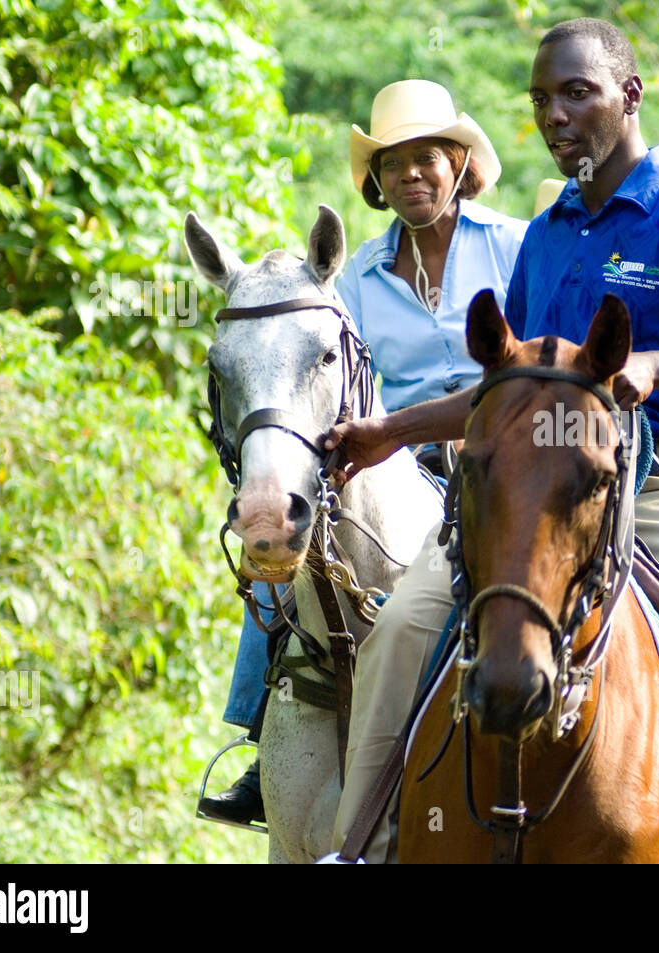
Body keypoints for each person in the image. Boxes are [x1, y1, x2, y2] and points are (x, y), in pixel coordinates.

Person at [326, 17, 659, 863]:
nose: (556, 115)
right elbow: (507, 390)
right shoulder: (547, 235)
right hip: (534, 491)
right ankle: (358, 844)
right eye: (542, 100)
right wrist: (390, 430)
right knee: (401, 627)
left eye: (577, 93)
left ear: (629, 95)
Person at [198, 80, 527, 825]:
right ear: (376, 182)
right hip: (389, 460)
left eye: (425, 158)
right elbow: (336, 382)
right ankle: (264, 737)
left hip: (501, 458)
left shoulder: (516, 248)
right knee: (284, 560)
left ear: (459, 162)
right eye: (392, 163)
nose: (410, 174)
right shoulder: (356, 281)